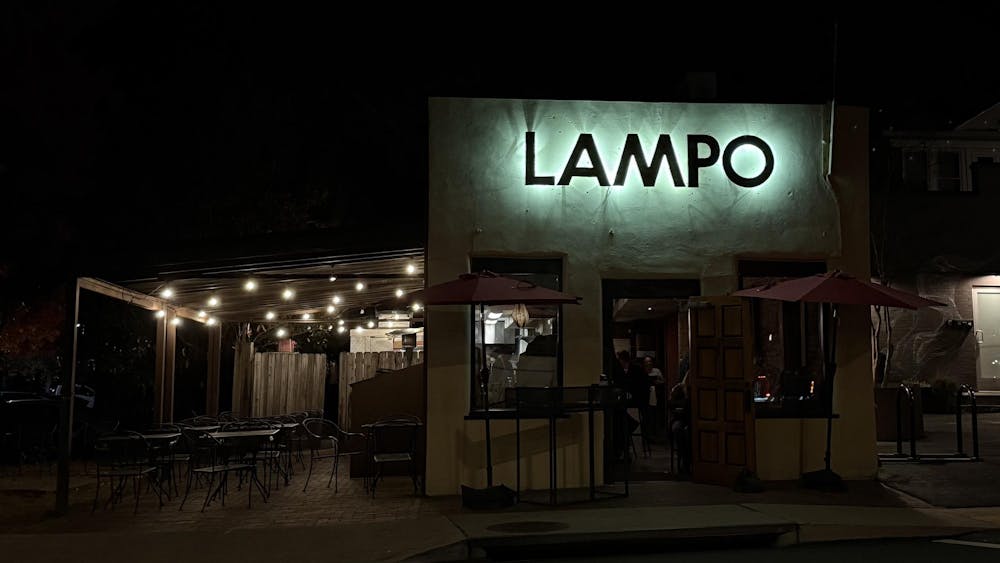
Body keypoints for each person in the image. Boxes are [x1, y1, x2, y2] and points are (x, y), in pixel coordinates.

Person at [669, 371, 692, 477]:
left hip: (691, 419)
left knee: (689, 432)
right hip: (680, 419)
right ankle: (684, 462)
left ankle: (688, 462)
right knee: (678, 429)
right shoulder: (678, 389)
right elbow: (672, 404)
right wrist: (686, 396)